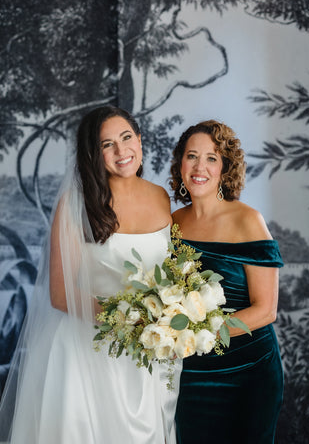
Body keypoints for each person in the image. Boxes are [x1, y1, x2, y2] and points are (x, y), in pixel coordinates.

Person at [0, 106, 182, 444]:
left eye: (126, 138)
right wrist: (133, 322)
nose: (121, 151)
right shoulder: (74, 204)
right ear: (93, 155)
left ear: (140, 141)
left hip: (149, 354)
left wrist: (169, 321)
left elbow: (172, 274)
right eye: (106, 144)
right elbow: (58, 293)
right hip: (88, 351)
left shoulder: (161, 197)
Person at [170, 120, 283, 444]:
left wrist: (198, 333)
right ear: (180, 164)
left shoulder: (248, 220)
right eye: (191, 156)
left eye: (211, 158)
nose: (199, 167)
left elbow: (266, 310)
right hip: (191, 375)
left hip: (249, 372)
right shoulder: (173, 223)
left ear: (225, 167)